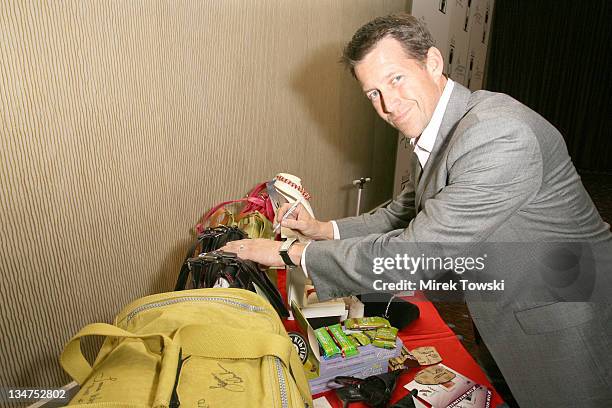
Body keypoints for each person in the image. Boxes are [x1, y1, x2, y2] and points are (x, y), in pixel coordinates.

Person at [222, 13, 612, 407]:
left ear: (433, 63)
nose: (388, 105)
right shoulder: (436, 126)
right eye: (373, 93)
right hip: (506, 298)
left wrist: (291, 253)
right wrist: (322, 229)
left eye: (396, 79)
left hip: (563, 311)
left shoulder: (498, 134)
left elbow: (417, 253)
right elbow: (401, 213)